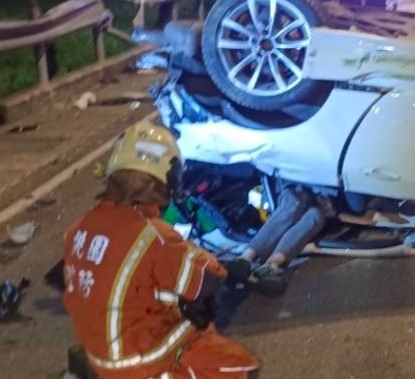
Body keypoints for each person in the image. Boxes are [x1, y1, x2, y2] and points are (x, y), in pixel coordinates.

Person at [60, 121, 259, 379]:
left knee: (171, 304)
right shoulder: (153, 235)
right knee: (236, 366)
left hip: (97, 351)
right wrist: (233, 268)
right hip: (136, 358)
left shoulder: (79, 228)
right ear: (167, 177)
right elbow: (206, 279)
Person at [224, 182, 325, 297]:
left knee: (315, 215)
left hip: (319, 195)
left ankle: (265, 264)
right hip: (293, 183)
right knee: (295, 202)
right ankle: (251, 260)